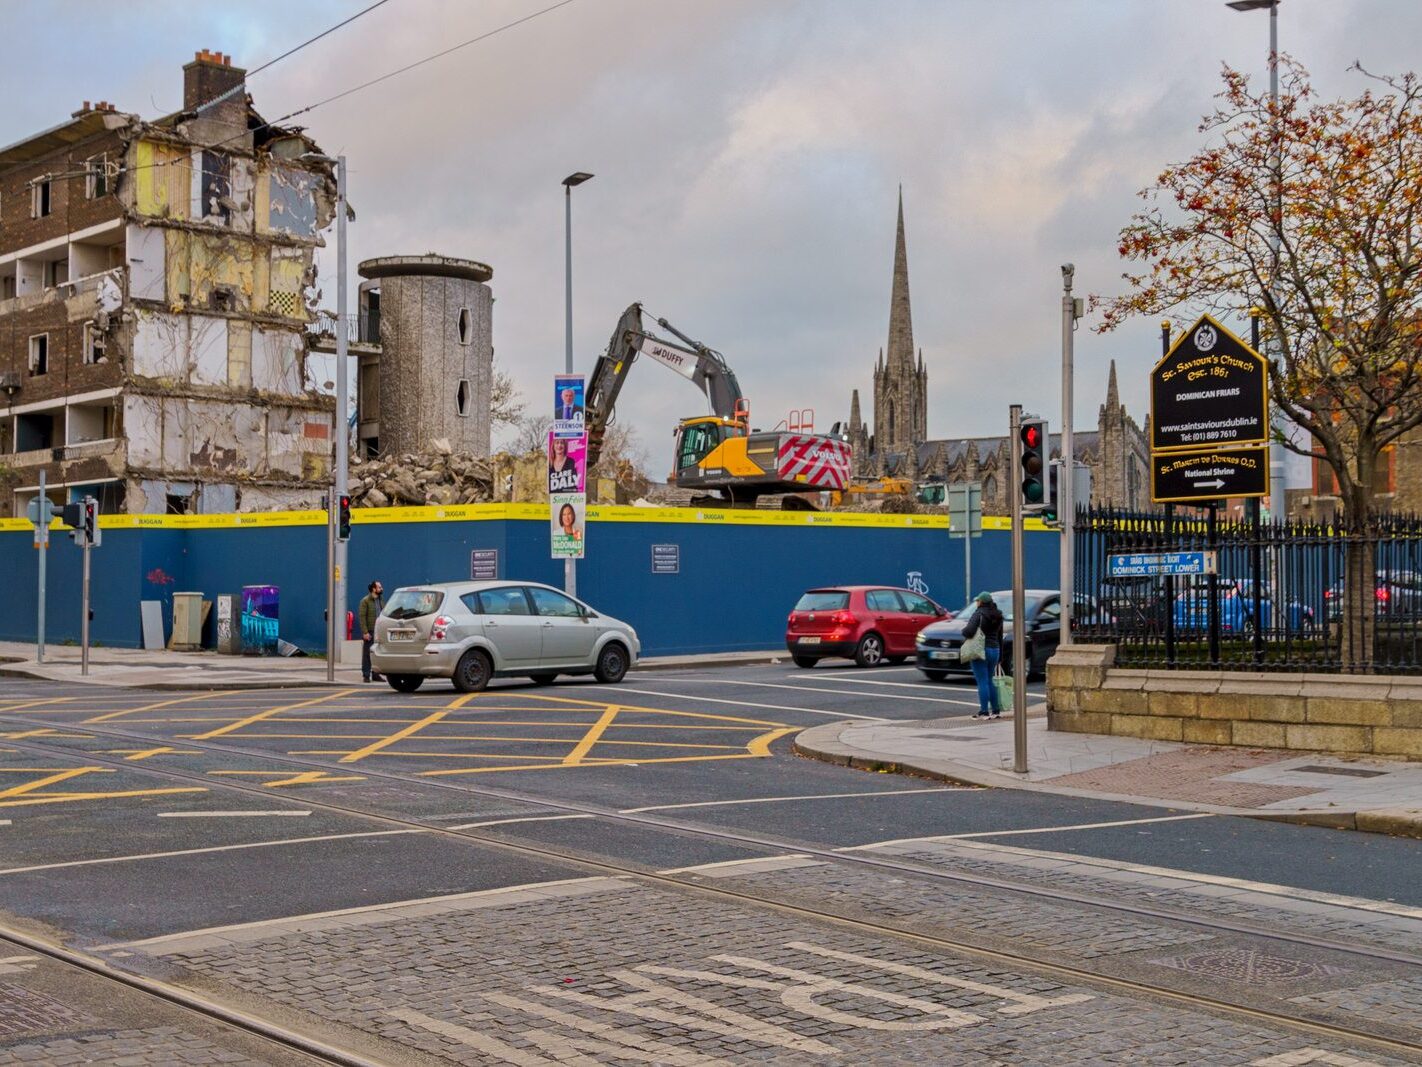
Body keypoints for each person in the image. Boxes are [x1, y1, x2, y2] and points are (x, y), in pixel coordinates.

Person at [961, 590, 1004, 719]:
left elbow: (969, 632)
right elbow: (1000, 636)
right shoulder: (998, 615)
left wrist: (963, 630)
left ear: (980, 602)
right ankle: (996, 710)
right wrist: (1000, 656)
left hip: (980, 650)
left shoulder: (978, 614)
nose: (976, 603)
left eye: (977, 601)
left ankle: (984, 711)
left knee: (982, 682)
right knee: (990, 681)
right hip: (995, 650)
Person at [358, 580, 384, 683]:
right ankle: (366, 675)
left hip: (379, 631)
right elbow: (362, 617)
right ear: (374, 589)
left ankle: (376, 674)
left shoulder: (381, 600)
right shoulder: (365, 601)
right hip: (370, 630)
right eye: (379, 587)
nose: (381, 589)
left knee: (377, 654)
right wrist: (365, 632)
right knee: (367, 654)